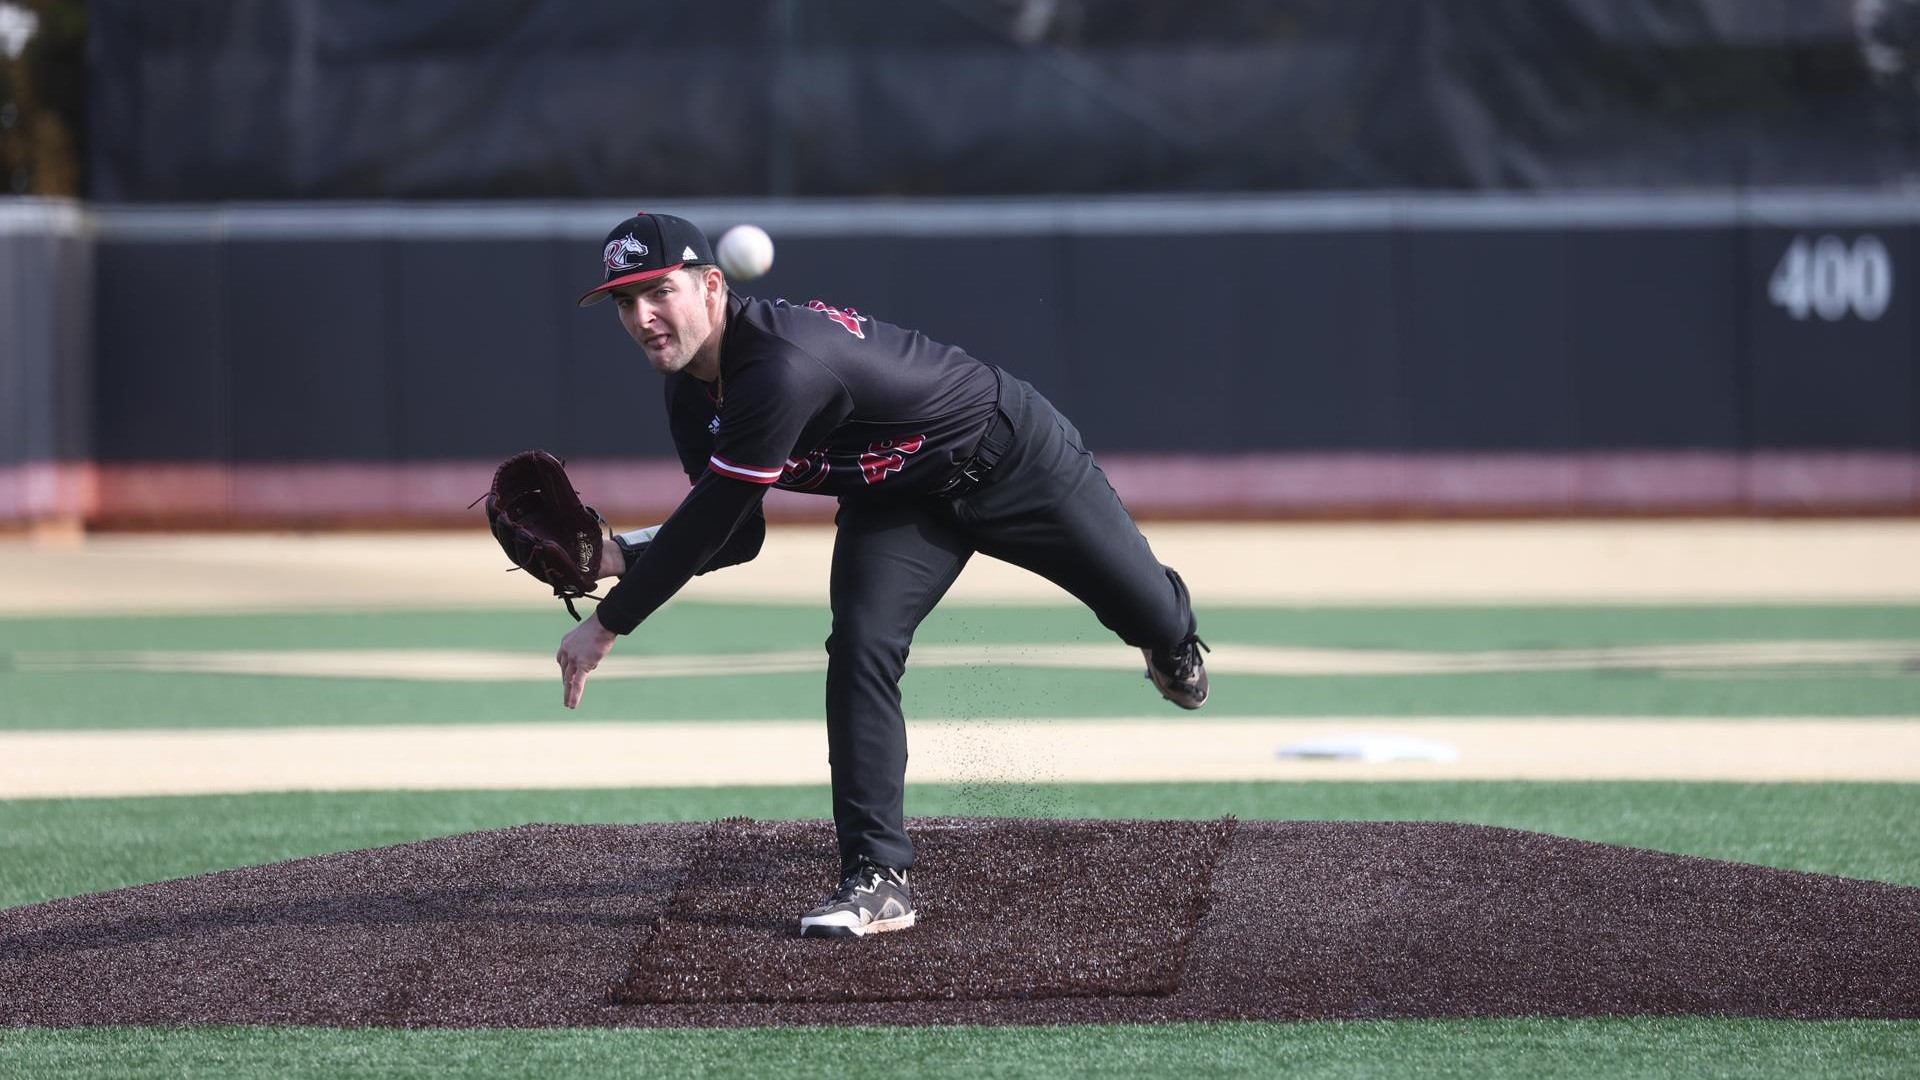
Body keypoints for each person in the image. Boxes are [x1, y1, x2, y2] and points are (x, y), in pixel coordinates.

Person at [555, 212, 1208, 938]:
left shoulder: (778, 366)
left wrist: (608, 620)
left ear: (712, 285)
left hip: (1012, 457)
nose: (642, 316)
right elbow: (736, 536)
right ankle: (877, 877)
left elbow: (711, 521)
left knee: (1149, 608)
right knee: (862, 645)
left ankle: (1170, 633)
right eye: (623, 301)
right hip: (897, 502)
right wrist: (610, 558)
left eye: (658, 292)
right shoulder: (688, 392)